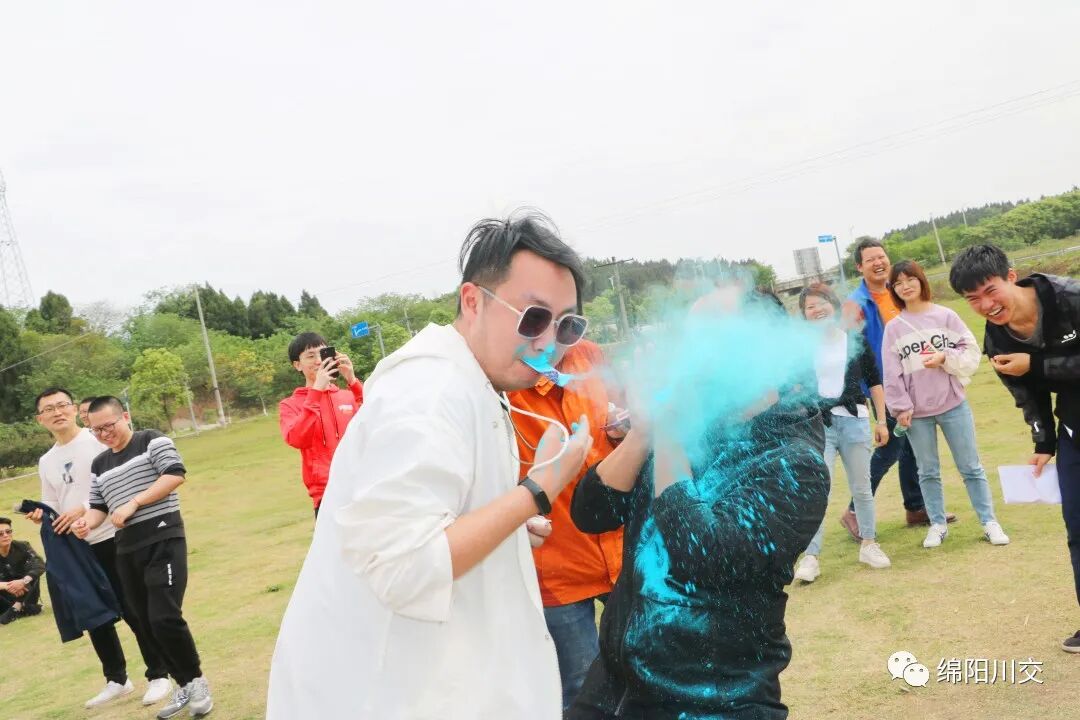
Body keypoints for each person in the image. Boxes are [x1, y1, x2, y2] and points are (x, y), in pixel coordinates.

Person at [267, 211, 594, 719]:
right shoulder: (430, 392)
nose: (548, 341)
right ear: (473, 301)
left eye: (566, 325)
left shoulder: (475, 382)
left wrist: (505, 522)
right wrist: (536, 491)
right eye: (533, 317)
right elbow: (404, 566)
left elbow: (434, 516)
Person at [567, 286, 830, 719]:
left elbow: (703, 557)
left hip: (713, 700)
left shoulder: (794, 462)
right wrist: (644, 432)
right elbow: (591, 513)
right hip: (610, 691)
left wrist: (671, 432)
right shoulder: (697, 422)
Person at [949, 244, 1080, 652]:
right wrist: (1044, 441)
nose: (986, 305)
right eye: (973, 299)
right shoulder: (997, 337)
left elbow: (1033, 371)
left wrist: (1036, 365)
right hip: (1074, 427)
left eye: (990, 291)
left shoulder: (1069, 298)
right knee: (1077, 527)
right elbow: (1025, 393)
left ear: (1011, 277)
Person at [28, 387, 173, 708]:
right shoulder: (47, 460)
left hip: (113, 536)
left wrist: (82, 508)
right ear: (40, 419)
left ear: (74, 409)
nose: (57, 412)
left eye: (62, 405)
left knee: (133, 608)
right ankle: (117, 679)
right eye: (49, 409)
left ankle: (159, 673)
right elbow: (51, 501)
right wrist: (42, 513)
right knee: (95, 614)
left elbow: (114, 482)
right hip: (78, 545)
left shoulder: (95, 441)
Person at [71, 396, 214, 719]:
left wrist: (135, 502)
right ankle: (183, 684)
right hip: (126, 550)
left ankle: (197, 681)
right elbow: (99, 508)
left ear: (125, 416)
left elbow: (174, 474)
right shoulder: (100, 464)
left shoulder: (151, 440)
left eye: (109, 425)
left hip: (163, 539)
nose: (104, 434)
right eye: (96, 430)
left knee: (164, 616)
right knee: (145, 623)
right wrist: (86, 524)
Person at [507, 338, 625, 711]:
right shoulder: (508, 378)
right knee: (581, 688)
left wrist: (623, 428)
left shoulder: (587, 354)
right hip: (557, 566)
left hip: (622, 551)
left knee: (646, 669)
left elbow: (618, 410)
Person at [881, 260, 1009, 550]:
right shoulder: (894, 329)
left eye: (910, 279)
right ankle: (937, 524)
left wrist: (944, 358)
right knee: (927, 471)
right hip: (917, 413)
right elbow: (891, 373)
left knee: (971, 467)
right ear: (894, 289)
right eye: (898, 283)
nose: (905, 286)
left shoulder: (946, 316)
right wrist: (901, 408)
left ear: (921, 280)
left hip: (953, 404)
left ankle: (989, 521)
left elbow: (969, 349)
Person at [843, 238, 955, 533]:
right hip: (886, 386)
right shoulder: (856, 304)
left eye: (881, 257)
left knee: (911, 448)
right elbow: (853, 352)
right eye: (870, 259)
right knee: (890, 448)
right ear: (859, 267)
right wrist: (868, 390)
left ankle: (916, 507)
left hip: (915, 380)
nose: (878, 263)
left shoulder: (898, 293)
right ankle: (853, 510)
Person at [794, 284, 892, 583]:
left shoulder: (853, 339)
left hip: (854, 420)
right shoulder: (801, 347)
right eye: (810, 306)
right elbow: (794, 388)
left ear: (833, 305)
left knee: (862, 487)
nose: (817, 309)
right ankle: (811, 557)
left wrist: (882, 421)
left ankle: (869, 544)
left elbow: (874, 381)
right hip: (818, 425)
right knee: (816, 490)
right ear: (804, 314)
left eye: (821, 302)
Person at [279, 334, 363, 515]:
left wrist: (352, 380)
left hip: (361, 485)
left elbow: (374, 421)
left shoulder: (347, 396)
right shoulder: (290, 405)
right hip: (326, 495)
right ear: (297, 365)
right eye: (310, 356)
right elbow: (297, 439)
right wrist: (316, 390)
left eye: (322, 353)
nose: (319, 361)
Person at [0, 516, 45, 624]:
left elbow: (40, 564)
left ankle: (17, 607)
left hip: (26, 593)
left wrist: (23, 581)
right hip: (4, 598)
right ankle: (24, 609)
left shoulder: (23, 546)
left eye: (8, 531)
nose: (5, 535)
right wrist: (8, 586)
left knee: (32, 571)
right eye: (0, 534)